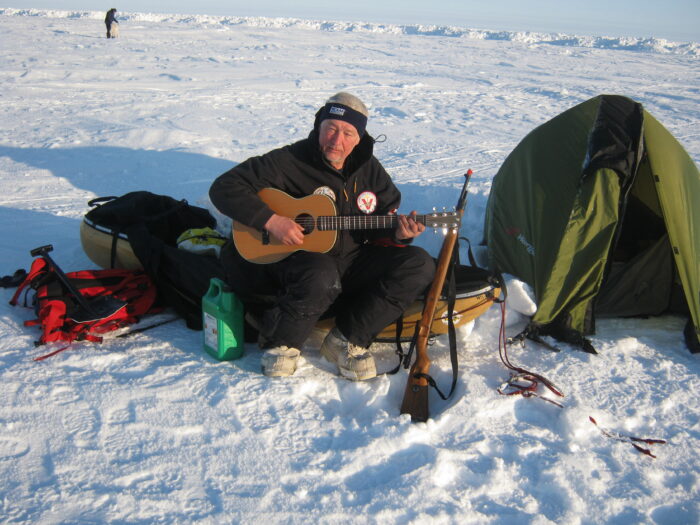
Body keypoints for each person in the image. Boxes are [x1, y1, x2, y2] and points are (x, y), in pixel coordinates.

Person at [209, 92, 436, 380]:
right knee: (320, 272)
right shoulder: (289, 160)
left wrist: (400, 233)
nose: (336, 140)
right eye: (330, 128)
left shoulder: (370, 170)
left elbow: (381, 220)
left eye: (347, 133)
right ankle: (283, 344)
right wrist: (272, 220)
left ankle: (347, 339)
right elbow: (225, 186)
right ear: (318, 126)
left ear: (359, 137)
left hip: (350, 260)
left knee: (419, 263)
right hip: (295, 263)